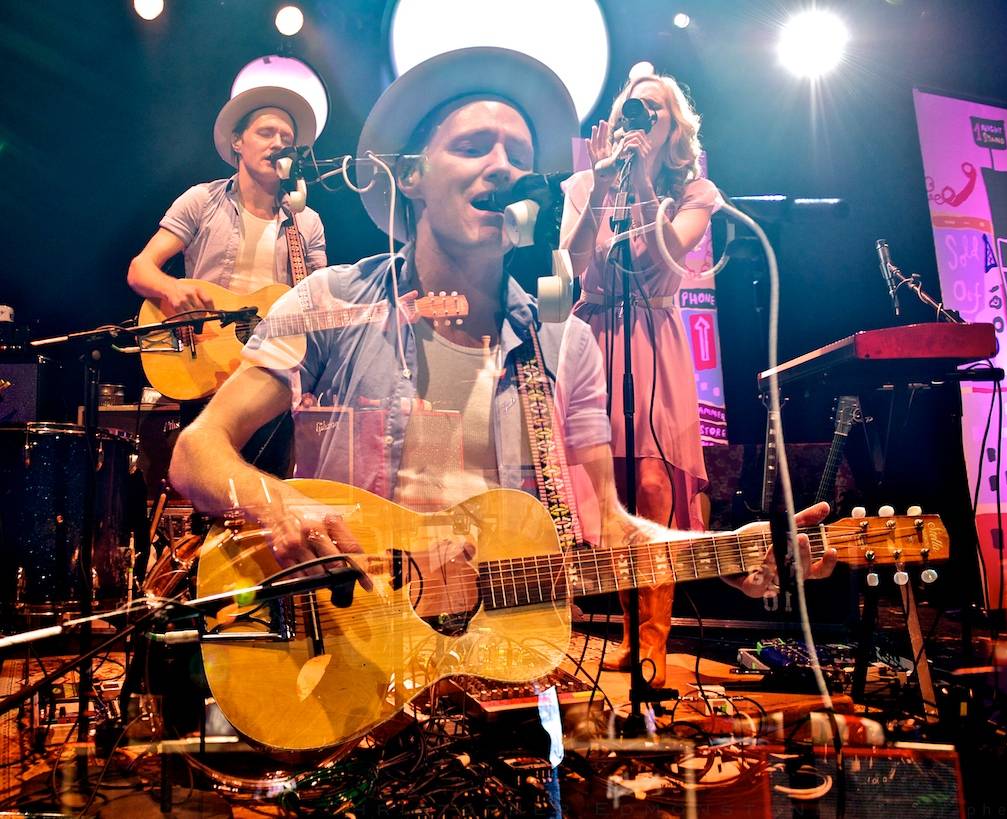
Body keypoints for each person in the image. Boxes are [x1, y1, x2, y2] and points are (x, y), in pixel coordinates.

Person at [168, 49, 834, 695]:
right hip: (348, 657)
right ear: (411, 176)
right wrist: (278, 503)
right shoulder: (331, 302)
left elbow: (608, 525)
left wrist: (730, 551)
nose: (502, 167)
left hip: (492, 677)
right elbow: (196, 451)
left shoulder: (564, 344)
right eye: (472, 147)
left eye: (517, 155)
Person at [560, 72, 719, 686]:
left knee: (653, 486)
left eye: (655, 109)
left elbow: (667, 258)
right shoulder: (587, 183)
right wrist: (603, 185)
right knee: (613, 493)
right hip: (597, 336)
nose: (643, 118)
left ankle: (654, 638)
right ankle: (628, 635)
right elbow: (574, 262)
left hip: (654, 337)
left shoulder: (694, 191)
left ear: (675, 126)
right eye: (635, 107)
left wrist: (646, 185)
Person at [126, 85, 328, 478]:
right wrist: (171, 288)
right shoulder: (202, 201)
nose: (278, 144)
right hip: (205, 362)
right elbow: (141, 269)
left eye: (286, 138)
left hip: (272, 375)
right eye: (266, 133)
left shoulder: (307, 223)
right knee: (208, 488)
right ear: (237, 141)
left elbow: (318, 301)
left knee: (266, 492)